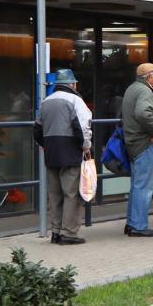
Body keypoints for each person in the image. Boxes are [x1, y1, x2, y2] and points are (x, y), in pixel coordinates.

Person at [34, 69, 92, 245]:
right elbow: (82, 127)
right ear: (72, 84)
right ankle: (69, 233)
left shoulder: (46, 102)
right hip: (70, 151)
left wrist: (46, 145)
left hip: (51, 152)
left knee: (55, 194)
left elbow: (37, 130)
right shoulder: (76, 100)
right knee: (71, 193)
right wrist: (86, 147)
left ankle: (56, 232)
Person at [122, 63, 153, 237]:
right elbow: (143, 113)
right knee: (144, 187)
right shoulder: (144, 91)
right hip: (143, 143)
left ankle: (132, 223)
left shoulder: (132, 88)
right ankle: (139, 226)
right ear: (148, 76)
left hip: (133, 142)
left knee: (136, 185)